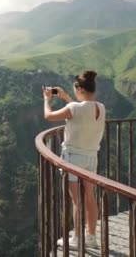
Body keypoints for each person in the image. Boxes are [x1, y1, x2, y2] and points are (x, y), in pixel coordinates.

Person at [42, 70, 105, 249]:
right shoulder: (100, 107)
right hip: (92, 157)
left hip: (73, 159)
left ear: (79, 89)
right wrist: (67, 97)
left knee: (77, 200)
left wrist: (47, 99)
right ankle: (91, 237)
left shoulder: (74, 108)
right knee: (90, 198)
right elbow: (79, 112)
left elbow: (48, 116)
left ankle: (77, 238)